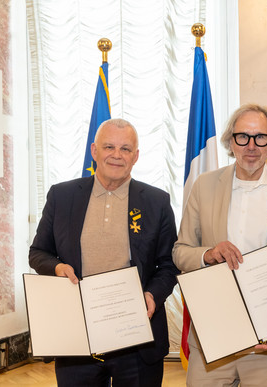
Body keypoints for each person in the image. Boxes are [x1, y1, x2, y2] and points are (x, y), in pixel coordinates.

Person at [172, 103, 267, 387]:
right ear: (230, 141)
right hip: (213, 342)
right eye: (243, 137)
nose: (251, 146)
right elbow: (180, 252)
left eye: (260, 137)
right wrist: (209, 254)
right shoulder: (203, 186)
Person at [29, 118, 179, 387]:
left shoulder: (157, 201)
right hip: (78, 337)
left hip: (137, 338)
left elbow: (169, 264)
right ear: (94, 151)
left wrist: (152, 295)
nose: (117, 155)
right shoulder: (61, 196)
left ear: (136, 156)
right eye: (109, 146)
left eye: (125, 149)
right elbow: (38, 252)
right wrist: (57, 268)